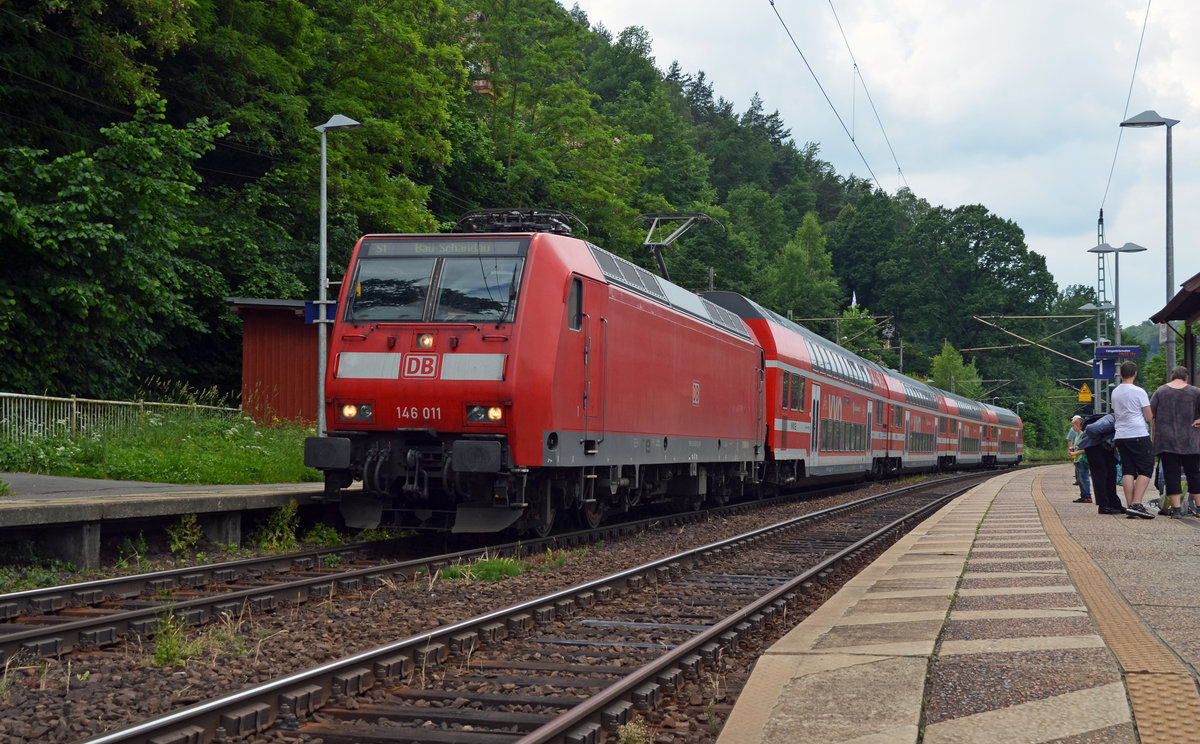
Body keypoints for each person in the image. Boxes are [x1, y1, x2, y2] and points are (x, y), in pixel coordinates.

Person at [1149, 365, 1200, 519]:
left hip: (1166, 441)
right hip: (1190, 441)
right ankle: (1199, 507)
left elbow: (1150, 413)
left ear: (1172, 377)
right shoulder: (1196, 392)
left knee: (1172, 475)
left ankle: (1176, 510)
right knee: (1194, 474)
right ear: (1186, 377)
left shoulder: (1161, 391)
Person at [1113, 361, 1156, 519]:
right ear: (1135, 373)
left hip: (1120, 436)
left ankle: (1131, 506)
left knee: (1128, 469)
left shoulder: (1115, 392)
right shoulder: (1139, 392)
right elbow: (1148, 416)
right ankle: (1137, 503)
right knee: (1146, 468)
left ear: (1121, 374)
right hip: (1137, 433)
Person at [1079, 413, 1124, 514]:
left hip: (1106, 448)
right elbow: (1091, 429)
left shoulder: (1124, 420)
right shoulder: (1111, 420)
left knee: (1111, 474)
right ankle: (1103, 506)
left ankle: (1115, 504)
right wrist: (1102, 440)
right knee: (1100, 475)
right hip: (1094, 447)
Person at [1066, 415, 1091, 503]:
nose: (1072, 428)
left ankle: (1087, 496)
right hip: (1077, 460)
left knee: (1084, 478)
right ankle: (1083, 496)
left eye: (1073, 426)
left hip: (1082, 460)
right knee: (1080, 479)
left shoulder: (1083, 435)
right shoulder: (1077, 435)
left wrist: (1074, 453)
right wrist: (1072, 448)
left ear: (1078, 426)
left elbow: (1085, 449)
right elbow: (1078, 446)